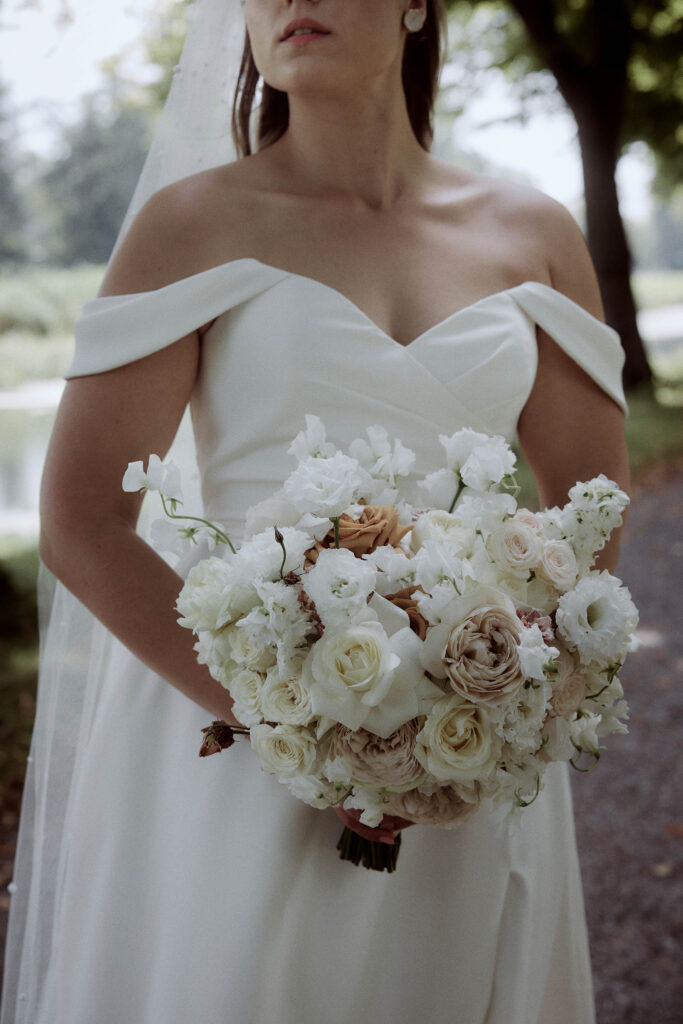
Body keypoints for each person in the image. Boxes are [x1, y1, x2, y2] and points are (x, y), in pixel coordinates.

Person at [2, 1, 630, 1021]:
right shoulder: (191, 224)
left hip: (464, 760)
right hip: (236, 742)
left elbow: (587, 522)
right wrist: (295, 723)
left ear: (416, 5)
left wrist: (498, 718)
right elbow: (80, 517)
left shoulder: (533, 235)